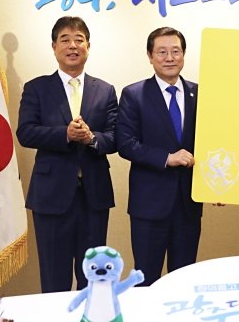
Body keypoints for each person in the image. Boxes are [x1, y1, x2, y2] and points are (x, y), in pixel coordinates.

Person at [17, 16, 118, 292]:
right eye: (65, 40)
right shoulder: (37, 88)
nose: (73, 46)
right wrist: (65, 134)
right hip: (50, 198)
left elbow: (115, 138)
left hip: (94, 198)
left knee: (94, 278)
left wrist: (91, 138)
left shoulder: (105, 90)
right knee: (54, 279)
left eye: (79, 40)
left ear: (88, 46)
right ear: (54, 47)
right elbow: (25, 132)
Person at [117, 27, 202, 286]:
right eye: (162, 52)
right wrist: (167, 158)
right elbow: (126, 144)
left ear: (184, 54)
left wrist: (218, 184)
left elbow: (211, 144)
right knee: (146, 280)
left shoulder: (200, 94)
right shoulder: (134, 94)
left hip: (188, 205)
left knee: (183, 280)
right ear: (150, 56)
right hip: (149, 206)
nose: (169, 58)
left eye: (175, 51)